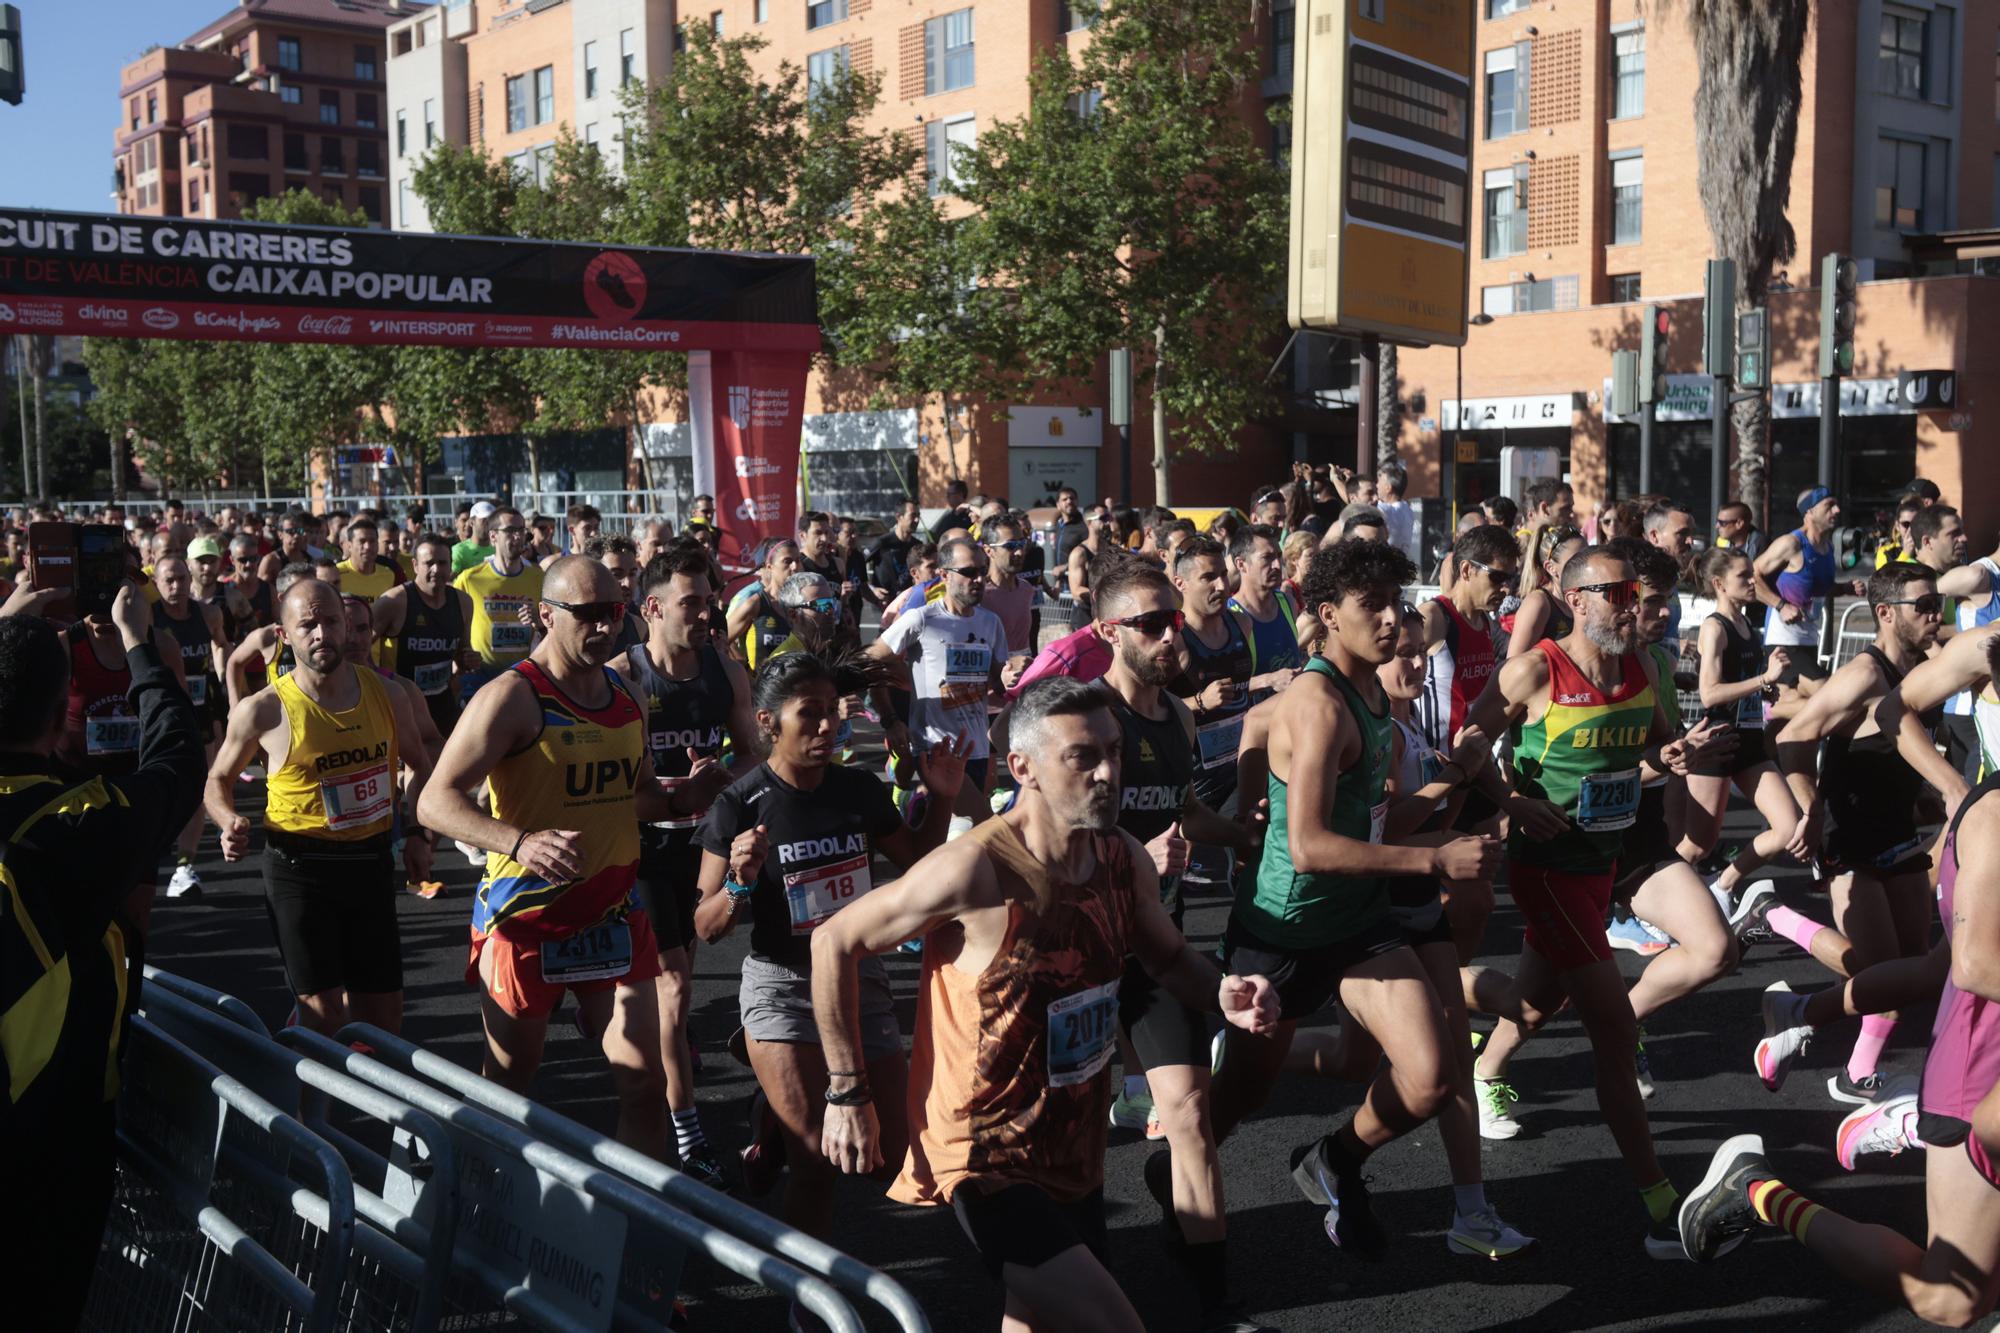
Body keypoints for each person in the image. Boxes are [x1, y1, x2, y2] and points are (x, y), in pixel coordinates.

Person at [813, 676, 1282, 1333]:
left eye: (1115, 752)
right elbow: (836, 939)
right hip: (985, 1154)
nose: (1108, 772)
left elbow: (1169, 959)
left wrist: (1223, 991)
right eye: (1083, 756)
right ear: (1022, 767)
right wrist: (846, 1092)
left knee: (1034, 1320)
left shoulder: (1121, 859)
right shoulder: (977, 869)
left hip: (1071, 1145)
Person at [1204, 540, 1511, 1261]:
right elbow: (1309, 845)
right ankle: (1176, 1169)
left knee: (1434, 1075)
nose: (1388, 619)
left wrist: (1448, 792)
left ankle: (1335, 1157)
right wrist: (1434, 855)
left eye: (1395, 602)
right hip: (1283, 927)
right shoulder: (1318, 705)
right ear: (1326, 616)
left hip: (1359, 920)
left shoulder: (1373, 691)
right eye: (1369, 605)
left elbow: (1365, 817)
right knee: (1238, 1098)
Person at [1462, 544, 1722, 1252]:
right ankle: (1662, 1205)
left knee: (1534, 1003)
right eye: (1616, 592)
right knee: (1612, 1028)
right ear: (1576, 599)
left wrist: (1668, 760)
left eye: (1635, 592)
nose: (1631, 604)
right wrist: (1513, 800)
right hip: (1546, 868)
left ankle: (1429, 991)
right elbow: (1466, 741)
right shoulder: (1536, 667)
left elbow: (1656, 748)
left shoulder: (1646, 666)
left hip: (1603, 865)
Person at [1678, 772, 2000, 1322]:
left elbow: (1936, 969)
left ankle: (1878, 1096)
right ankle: (1756, 1190)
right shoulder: (1995, 812)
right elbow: (1972, 965)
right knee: (1950, 1299)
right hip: (1978, 1081)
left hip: (1968, 1056)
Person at [694, 653, 966, 1252]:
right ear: (768, 721)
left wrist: (941, 797)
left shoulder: (857, 788)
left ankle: (769, 1115)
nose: (827, 729)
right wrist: (739, 881)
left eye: (833, 716)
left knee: (889, 1155)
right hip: (782, 984)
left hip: (856, 981)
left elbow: (916, 863)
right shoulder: (738, 805)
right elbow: (707, 925)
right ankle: (807, 1302)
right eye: (808, 716)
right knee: (816, 1159)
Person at [417, 557, 685, 1160]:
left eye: (614, 612)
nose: (605, 628)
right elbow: (434, 802)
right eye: (587, 614)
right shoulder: (510, 696)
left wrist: (686, 795)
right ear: (545, 615)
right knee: (510, 1088)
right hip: (527, 919)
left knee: (645, 1083)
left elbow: (637, 796)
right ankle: (482, 1206)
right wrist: (519, 841)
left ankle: (627, 1237)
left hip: (612, 913)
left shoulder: (627, 694)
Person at [1, 586, 207, 1330]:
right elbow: (178, 764)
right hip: (51, 1133)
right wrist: (140, 644)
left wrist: (11, 627)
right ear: (63, 722)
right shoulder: (75, 820)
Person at [207, 578, 434, 1037]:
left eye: (331, 622)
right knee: (324, 1014)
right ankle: (311, 1110)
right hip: (299, 869)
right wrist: (227, 819)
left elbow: (420, 766)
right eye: (307, 624)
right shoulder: (263, 710)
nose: (321, 634)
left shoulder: (389, 696)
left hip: (369, 862)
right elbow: (217, 779)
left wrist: (414, 831)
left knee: (384, 1015)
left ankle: (376, 1105)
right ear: (284, 635)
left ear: (347, 626)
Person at [1773, 562, 1945, 1103]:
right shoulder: (1864, 675)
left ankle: (1840, 1057)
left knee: (1915, 972)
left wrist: (1920, 792)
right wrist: (1810, 809)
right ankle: (1777, 930)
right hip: (1851, 839)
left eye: (1937, 602)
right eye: (1924, 605)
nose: (1936, 614)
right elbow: (1793, 739)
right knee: (1884, 975)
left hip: (1897, 830)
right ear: (1887, 613)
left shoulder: (1920, 670)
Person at [616, 542, 760, 1190]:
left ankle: (671, 1057)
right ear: (653, 607)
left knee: (688, 969)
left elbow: (759, 756)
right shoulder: (623, 675)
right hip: (642, 842)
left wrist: (727, 780)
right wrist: (675, 794)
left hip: (703, 841)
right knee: (671, 985)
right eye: (691, 601)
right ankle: (687, 1130)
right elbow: (607, 784)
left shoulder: (724, 671)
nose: (705, 612)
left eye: (709, 599)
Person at [1681, 546, 1801, 902]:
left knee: (1788, 826)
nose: (1753, 581)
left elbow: (1742, 684)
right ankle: (1641, 908)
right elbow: (1709, 694)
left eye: (1752, 574)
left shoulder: (1746, 623)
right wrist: (1764, 679)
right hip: (1716, 742)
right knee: (1697, 845)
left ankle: (1724, 884)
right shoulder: (1714, 628)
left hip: (1748, 743)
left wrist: (1763, 693)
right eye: (1743, 577)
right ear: (1719, 583)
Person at [869, 536, 1008, 811]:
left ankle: (913, 810)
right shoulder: (921, 619)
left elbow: (999, 680)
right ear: (944, 575)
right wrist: (891, 720)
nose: (978, 579)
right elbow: (871, 661)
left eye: (982, 571)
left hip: (977, 750)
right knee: (963, 826)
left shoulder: (991, 623)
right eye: (968, 572)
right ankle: (913, 805)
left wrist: (1013, 674)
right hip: (935, 749)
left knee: (961, 830)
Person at [151, 552, 231, 900]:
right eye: (168, 579)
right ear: (155, 584)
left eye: (181, 579)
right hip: (159, 715)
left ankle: (185, 867)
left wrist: (224, 684)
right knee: (161, 791)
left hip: (199, 709)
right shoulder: (147, 620)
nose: (176, 586)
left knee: (202, 783)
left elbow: (222, 645)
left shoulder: (208, 613)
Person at [1417, 525, 1515, 759]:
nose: (1506, 588)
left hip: (1473, 761)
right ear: (1467, 570)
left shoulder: (1485, 621)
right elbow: (1387, 682)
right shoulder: (1433, 617)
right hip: (1436, 764)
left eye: (1510, 578)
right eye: (1498, 577)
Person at [372, 532, 475, 737]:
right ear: (415, 565)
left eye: (443, 563)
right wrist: (381, 682)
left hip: (443, 704)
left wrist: (468, 658)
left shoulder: (463, 602)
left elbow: (462, 651)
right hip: (402, 708)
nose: (436, 569)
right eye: (429, 563)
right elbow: (356, 648)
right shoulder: (395, 601)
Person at [1754, 486, 1845, 684]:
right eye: (1829, 505)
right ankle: (1770, 708)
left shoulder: (1827, 548)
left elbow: (1818, 590)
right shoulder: (1791, 543)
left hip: (1810, 640)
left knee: (1803, 705)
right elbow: (1752, 576)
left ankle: (1770, 710)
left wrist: (1846, 589)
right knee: (1827, 693)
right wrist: (1781, 606)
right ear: (1809, 511)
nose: (1837, 510)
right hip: (1783, 643)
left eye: (1837, 505)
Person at [452, 506, 543, 702]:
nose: (518, 536)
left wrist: (539, 620)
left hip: (523, 673)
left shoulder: (538, 578)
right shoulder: (470, 579)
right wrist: (461, 656)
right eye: (510, 531)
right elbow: (449, 623)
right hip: (479, 676)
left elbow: (555, 624)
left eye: (521, 530)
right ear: (493, 537)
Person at [1226, 524, 1307, 697]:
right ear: (1241, 564)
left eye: (1278, 556)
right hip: (1253, 720)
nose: (1277, 565)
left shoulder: (1288, 603)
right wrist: (1268, 680)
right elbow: (1222, 688)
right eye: (1267, 558)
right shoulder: (1231, 615)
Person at [726, 537, 803, 667]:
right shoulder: (754, 603)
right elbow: (721, 639)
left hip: (794, 686)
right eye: (787, 561)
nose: (795, 567)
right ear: (769, 567)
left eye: (798, 560)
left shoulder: (803, 603)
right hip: (760, 685)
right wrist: (743, 674)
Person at [866, 500, 924, 607]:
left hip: (909, 604)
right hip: (884, 604)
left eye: (918, 515)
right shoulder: (882, 542)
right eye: (913, 515)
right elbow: (857, 564)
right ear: (899, 517)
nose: (917, 520)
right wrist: (871, 589)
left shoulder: (918, 546)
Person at [336, 516, 401, 605]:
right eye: (362, 541)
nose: (368, 547)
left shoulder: (388, 575)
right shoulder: (337, 573)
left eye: (372, 541)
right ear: (349, 545)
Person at [1066, 505, 1118, 611]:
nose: (1107, 522)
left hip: (1106, 611)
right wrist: (1105, 596)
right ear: (1089, 522)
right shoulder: (1079, 554)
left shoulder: (1112, 549)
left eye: (1108, 518)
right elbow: (1076, 591)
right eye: (1103, 519)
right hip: (1085, 614)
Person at [1048, 486, 1089, 595]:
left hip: (1078, 587)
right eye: (1065, 499)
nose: (1069, 501)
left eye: (1072, 498)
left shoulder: (1084, 527)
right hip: (1061, 588)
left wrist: (1066, 567)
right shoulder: (1058, 526)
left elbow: (1089, 555)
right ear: (1058, 505)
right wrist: (1057, 581)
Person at [1376, 463, 1416, 562]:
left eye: (1379, 482)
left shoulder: (1385, 510)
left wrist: (1336, 479)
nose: (1376, 485)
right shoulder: (1407, 509)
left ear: (1388, 488)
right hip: (1401, 566)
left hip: (1386, 566)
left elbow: (1354, 500)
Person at [451, 499, 498, 577]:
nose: (488, 524)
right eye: (484, 520)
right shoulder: (460, 550)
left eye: (491, 520)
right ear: (472, 522)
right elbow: (451, 581)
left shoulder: (499, 549)